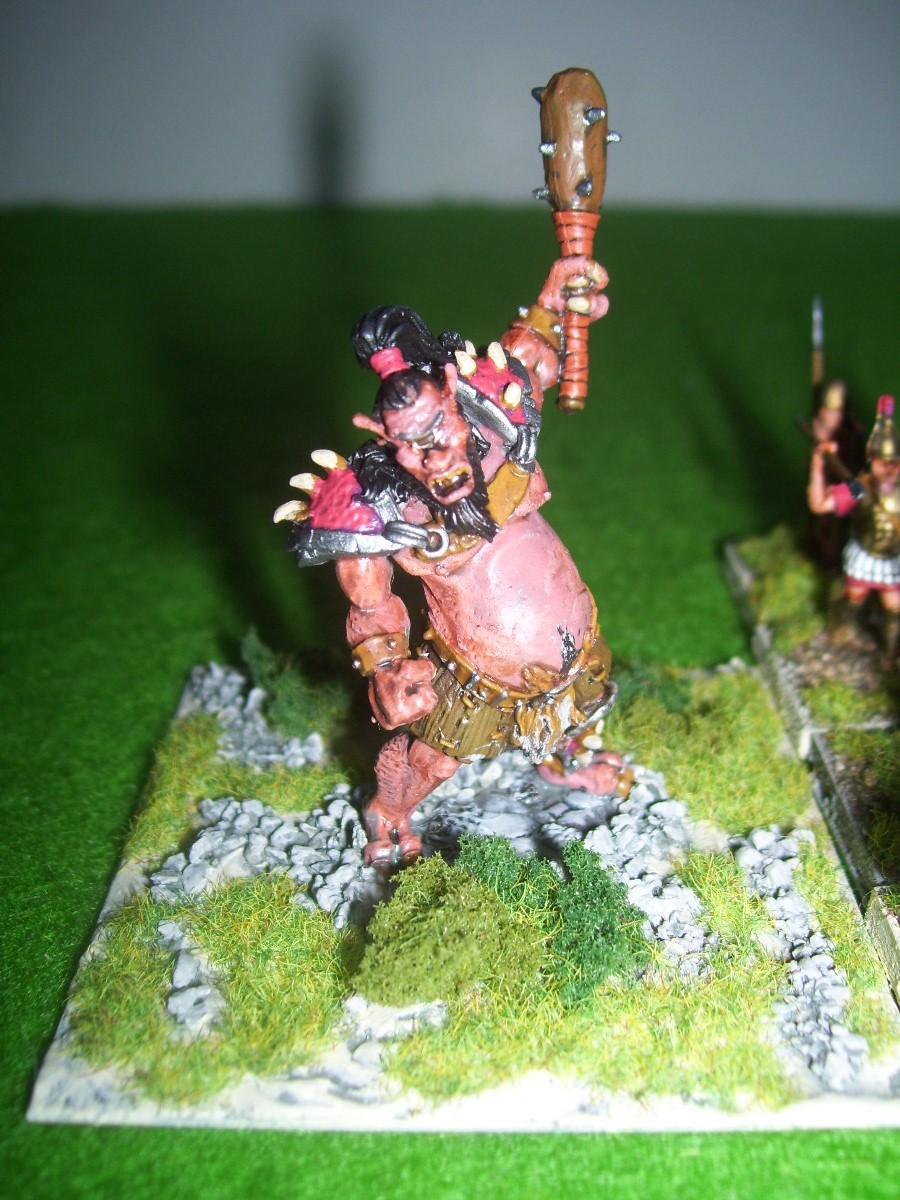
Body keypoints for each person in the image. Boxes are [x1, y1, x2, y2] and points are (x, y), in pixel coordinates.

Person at [276, 256, 630, 871]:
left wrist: (558, 302)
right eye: (411, 448)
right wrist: (386, 669)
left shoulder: (496, 416)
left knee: (583, 701)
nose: (434, 461)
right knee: (434, 760)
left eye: (438, 432)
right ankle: (390, 811)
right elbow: (370, 606)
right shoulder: (380, 509)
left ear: (451, 397)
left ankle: (562, 756)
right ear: (383, 437)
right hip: (477, 674)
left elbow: (536, 352)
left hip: (571, 637)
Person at [808, 394, 900, 669]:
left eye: (894, 463)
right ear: (872, 461)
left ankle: (890, 655)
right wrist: (817, 466)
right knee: (853, 598)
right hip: (865, 554)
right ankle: (837, 632)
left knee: (894, 608)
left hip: (892, 557)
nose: (889, 469)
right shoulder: (861, 488)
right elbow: (819, 505)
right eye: (883, 462)